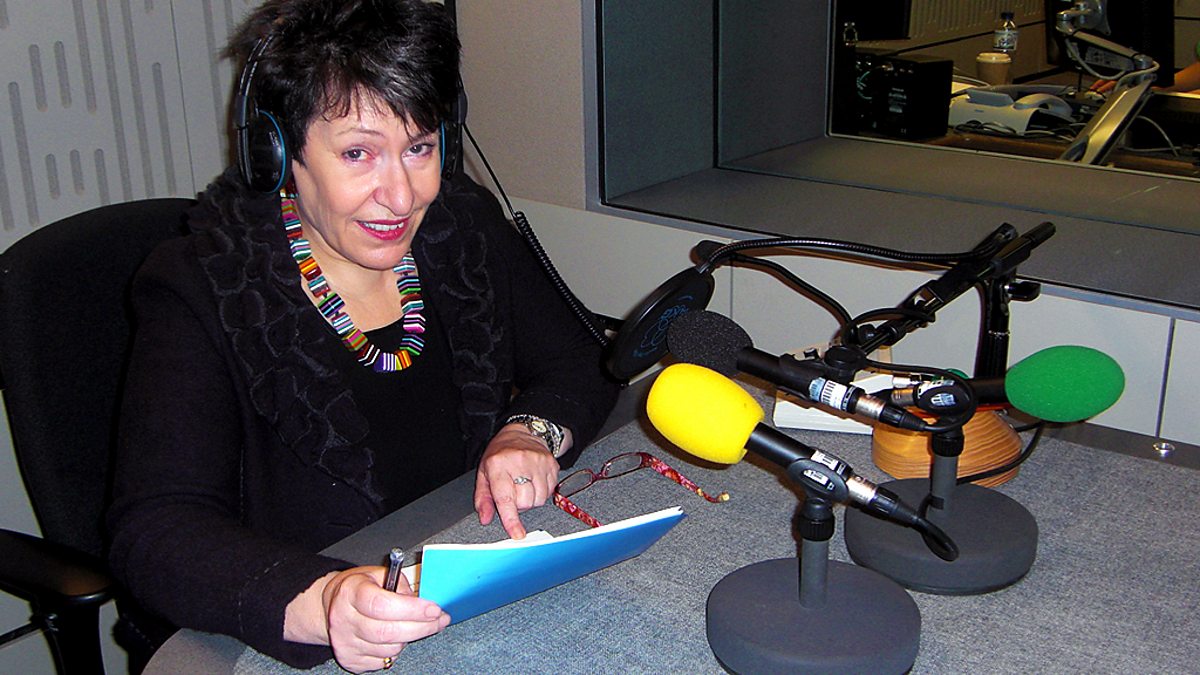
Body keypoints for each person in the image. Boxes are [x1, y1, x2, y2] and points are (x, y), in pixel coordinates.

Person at [105, 0, 619, 672]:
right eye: (357, 153)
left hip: (471, 597)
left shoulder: (461, 229)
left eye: (419, 147)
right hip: (321, 632)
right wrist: (320, 599)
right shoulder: (204, 286)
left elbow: (582, 358)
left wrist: (529, 431)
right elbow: (156, 528)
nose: (401, 196)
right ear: (279, 153)